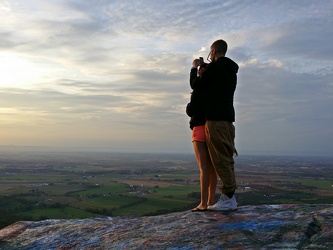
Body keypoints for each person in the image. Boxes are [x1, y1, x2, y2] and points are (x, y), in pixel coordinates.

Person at [190, 39, 239, 211]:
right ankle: (229, 197)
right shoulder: (231, 70)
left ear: (213, 51)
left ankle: (227, 199)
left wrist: (196, 68)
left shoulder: (216, 68)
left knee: (220, 161)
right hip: (228, 120)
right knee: (227, 160)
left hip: (216, 120)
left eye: (211, 53)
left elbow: (195, 85)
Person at [186, 59, 217, 212]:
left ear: (200, 72)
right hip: (212, 129)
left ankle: (203, 204)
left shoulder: (199, 88)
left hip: (198, 128)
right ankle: (210, 202)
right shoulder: (214, 89)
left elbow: (191, 111)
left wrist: (193, 67)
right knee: (212, 169)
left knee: (203, 168)